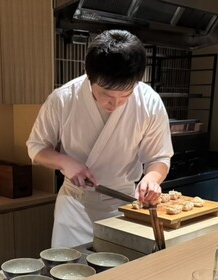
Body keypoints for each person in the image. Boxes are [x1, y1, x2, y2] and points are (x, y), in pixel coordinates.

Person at [27, 29, 173, 248]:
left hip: (124, 206)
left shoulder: (149, 102)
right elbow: (36, 147)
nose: (115, 104)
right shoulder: (63, 99)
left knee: (123, 267)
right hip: (75, 205)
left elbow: (159, 157)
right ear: (88, 74)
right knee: (70, 267)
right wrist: (65, 162)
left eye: (125, 95)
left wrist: (152, 179)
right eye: (106, 94)